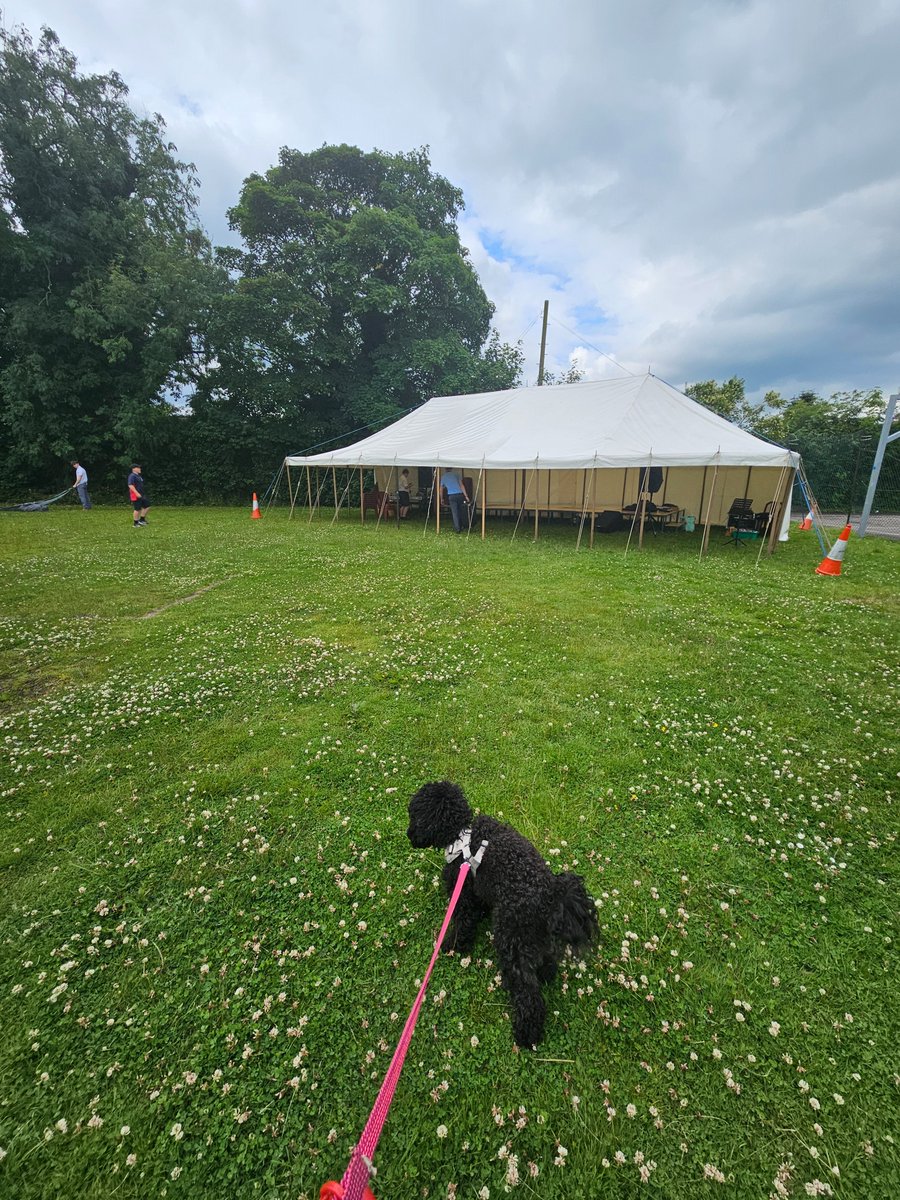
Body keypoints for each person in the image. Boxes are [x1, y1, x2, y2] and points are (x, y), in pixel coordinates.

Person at [441, 468, 470, 533]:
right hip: (460, 494)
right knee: (461, 511)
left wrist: (441, 498)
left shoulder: (443, 477)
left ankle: (457, 528)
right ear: (451, 468)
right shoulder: (456, 474)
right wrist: (466, 496)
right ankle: (462, 525)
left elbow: (441, 489)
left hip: (451, 496)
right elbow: (461, 485)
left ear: (445, 469)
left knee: (455, 512)